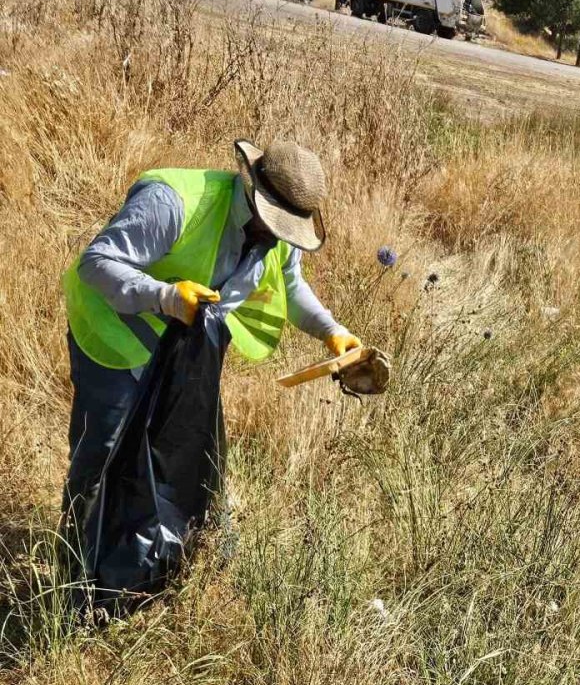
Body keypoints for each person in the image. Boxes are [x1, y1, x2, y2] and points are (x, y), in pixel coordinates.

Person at [61, 138, 362, 553]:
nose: (279, 237)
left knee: (188, 453)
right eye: (276, 222)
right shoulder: (175, 202)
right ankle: (75, 565)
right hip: (114, 337)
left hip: (183, 353)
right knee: (102, 453)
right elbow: (97, 262)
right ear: (254, 190)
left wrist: (333, 332)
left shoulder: (277, 237)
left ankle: (174, 555)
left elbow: (291, 286)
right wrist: (165, 297)